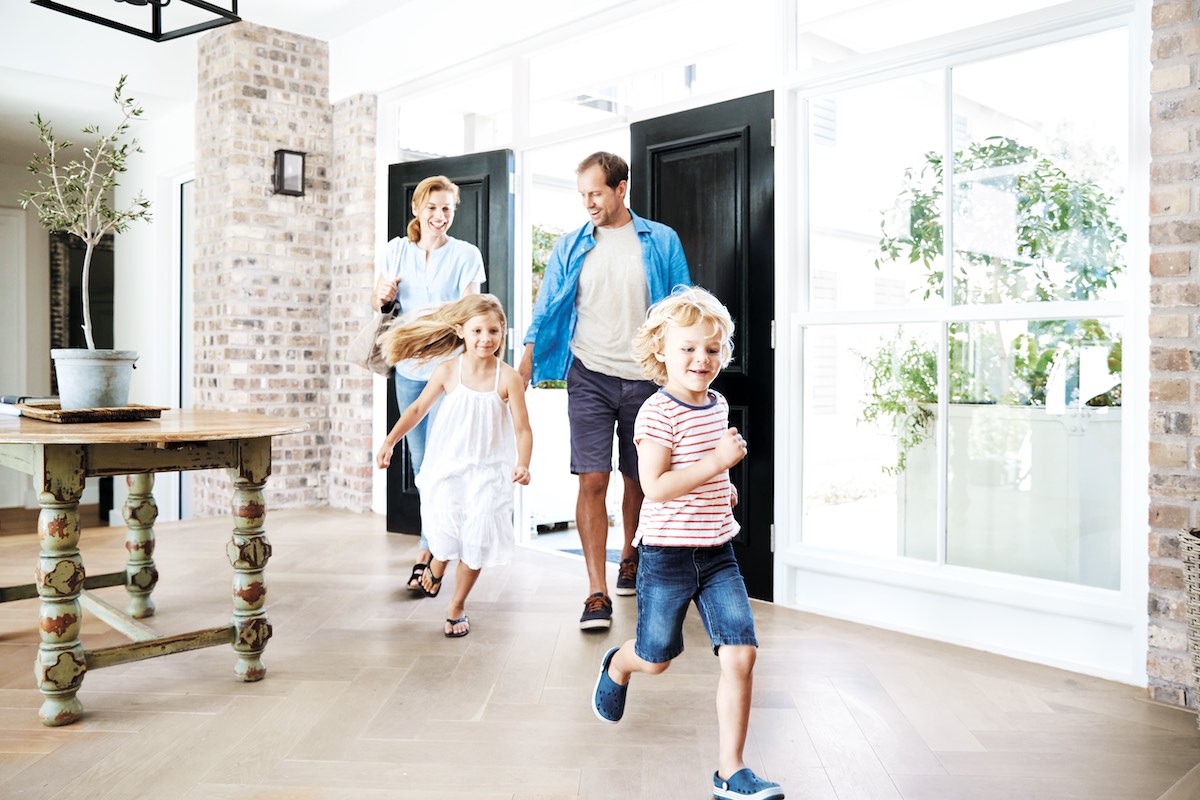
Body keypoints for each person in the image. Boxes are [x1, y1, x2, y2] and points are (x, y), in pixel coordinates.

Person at [590, 287, 783, 800]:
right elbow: (654, 486)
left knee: (740, 655)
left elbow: (699, 469)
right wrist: (717, 465)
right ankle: (618, 664)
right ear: (661, 351)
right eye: (688, 348)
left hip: (718, 553)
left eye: (713, 349)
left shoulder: (717, 403)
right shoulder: (656, 413)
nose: (702, 359)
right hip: (667, 556)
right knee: (657, 658)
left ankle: (731, 770)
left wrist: (724, 486)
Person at [519, 151, 691, 630]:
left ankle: (631, 553)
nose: (588, 203)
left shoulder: (660, 240)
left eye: (596, 192)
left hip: (646, 379)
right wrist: (524, 364)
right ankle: (596, 590)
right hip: (589, 374)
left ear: (621, 188)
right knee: (592, 479)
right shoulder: (571, 245)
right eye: (582, 195)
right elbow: (548, 305)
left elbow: (682, 306)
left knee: (639, 479)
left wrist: (688, 368)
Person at [375, 294, 532, 638]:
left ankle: (456, 606)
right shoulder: (448, 371)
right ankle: (437, 564)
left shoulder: (508, 379)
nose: (485, 338)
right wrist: (390, 441)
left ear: (503, 332)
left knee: (476, 542)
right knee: (444, 531)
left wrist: (523, 464)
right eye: (477, 331)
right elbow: (416, 410)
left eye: (493, 330)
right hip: (448, 467)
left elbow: (522, 428)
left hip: (489, 472)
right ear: (461, 332)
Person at [372, 175, 485, 592]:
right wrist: (382, 294)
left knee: (447, 461)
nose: (440, 217)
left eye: (447, 209)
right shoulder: (395, 250)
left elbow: (473, 312)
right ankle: (433, 543)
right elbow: (377, 303)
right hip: (407, 369)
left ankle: (431, 549)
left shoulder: (466, 255)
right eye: (433, 208)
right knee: (422, 466)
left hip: (448, 371)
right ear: (418, 208)